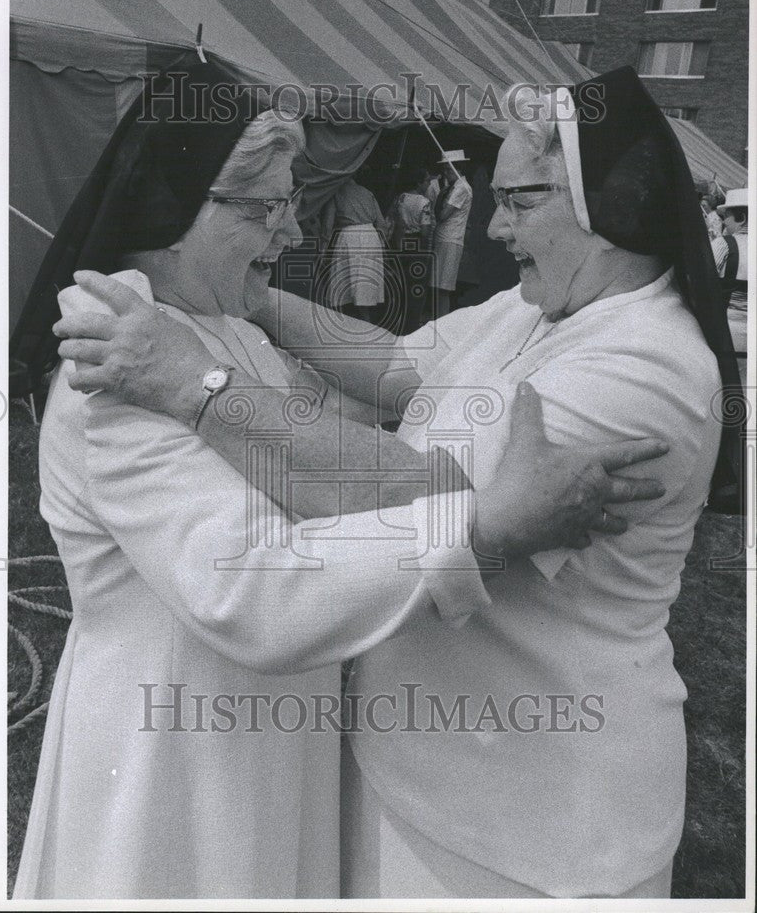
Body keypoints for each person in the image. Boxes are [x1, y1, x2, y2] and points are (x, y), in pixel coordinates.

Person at [55, 66, 742, 899]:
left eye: (521, 202)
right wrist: (252, 301)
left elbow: (422, 495)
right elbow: (393, 364)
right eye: (266, 208)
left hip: (533, 803)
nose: (493, 228)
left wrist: (197, 383)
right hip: (372, 758)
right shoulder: (537, 309)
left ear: (608, 211)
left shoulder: (642, 369)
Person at [320, 176, 389, 322]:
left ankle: (342, 322)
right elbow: (382, 224)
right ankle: (366, 321)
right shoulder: (367, 192)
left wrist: (322, 250)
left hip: (349, 238)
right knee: (364, 283)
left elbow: (327, 226)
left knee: (344, 282)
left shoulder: (336, 192)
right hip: (371, 236)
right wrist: (380, 245)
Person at [386, 166, 435, 333]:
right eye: (427, 180)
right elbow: (425, 231)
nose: (429, 183)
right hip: (416, 243)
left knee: (401, 284)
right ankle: (411, 326)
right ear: (419, 182)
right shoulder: (424, 202)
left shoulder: (401, 198)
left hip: (401, 242)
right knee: (416, 287)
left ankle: (395, 322)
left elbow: (392, 218)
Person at [430, 149, 473, 318]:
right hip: (444, 238)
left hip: (451, 238)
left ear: (457, 168)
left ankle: (441, 320)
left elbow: (443, 214)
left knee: (444, 286)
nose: (446, 174)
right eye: (445, 170)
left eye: (448, 170)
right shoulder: (452, 187)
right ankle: (436, 318)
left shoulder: (462, 188)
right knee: (437, 284)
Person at [711, 187, 748, 361]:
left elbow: (700, 282)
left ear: (741, 218)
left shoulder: (724, 245)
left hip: (725, 336)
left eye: (726, 216)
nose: (724, 222)